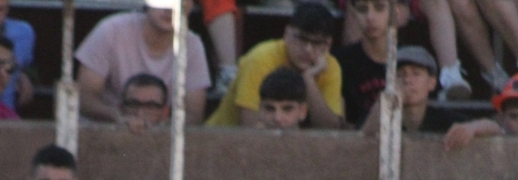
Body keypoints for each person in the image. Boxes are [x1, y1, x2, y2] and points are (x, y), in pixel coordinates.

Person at [207, 2, 343, 129]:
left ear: (328, 45)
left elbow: (331, 129)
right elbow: (249, 127)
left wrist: (308, 80)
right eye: (301, 39)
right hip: (222, 141)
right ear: (286, 34)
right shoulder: (260, 59)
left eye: (316, 43)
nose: (308, 49)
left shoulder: (330, 67)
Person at [75, 0, 210, 126]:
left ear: (190, 5)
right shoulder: (111, 30)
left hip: (162, 140)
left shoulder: (192, 45)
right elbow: (83, 97)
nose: (170, 7)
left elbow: (194, 114)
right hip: (105, 132)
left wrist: (159, 131)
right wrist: (116, 117)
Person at [363, 45, 469, 134]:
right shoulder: (377, 115)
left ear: (432, 83)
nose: (407, 80)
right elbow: (360, 141)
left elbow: (484, 127)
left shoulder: (445, 120)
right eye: (400, 75)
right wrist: (385, 104)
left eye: (416, 74)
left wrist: (472, 129)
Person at [337, 0, 411, 127]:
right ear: (354, 13)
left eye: (379, 7)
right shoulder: (341, 61)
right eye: (362, 9)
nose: (370, 17)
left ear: (395, 11)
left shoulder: (411, 60)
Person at [444, 71, 518, 146]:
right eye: (514, 116)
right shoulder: (501, 134)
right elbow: (493, 127)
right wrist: (471, 128)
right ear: (501, 117)